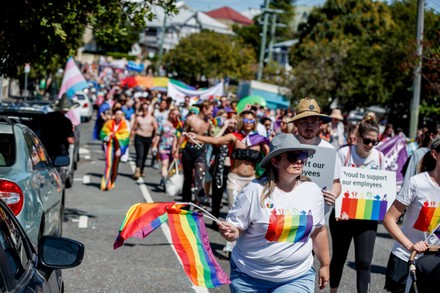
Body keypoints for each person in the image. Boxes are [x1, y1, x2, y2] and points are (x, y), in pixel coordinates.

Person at [218, 134, 330, 292]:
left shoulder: (313, 191)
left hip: (296, 277)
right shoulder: (254, 190)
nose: (299, 161)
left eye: (302, 155)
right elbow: (236, 227)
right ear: (275, 161)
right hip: (249, 277)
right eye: (292, 156)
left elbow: (319, 231)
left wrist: (325, 264)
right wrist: (231, 232)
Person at [329, 112, 385, 293]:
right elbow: (334, 182)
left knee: (364, 262)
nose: (371, 145)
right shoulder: (344, 153)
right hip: (343, 214)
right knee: (338, 257)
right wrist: (337, 205)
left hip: (366, 215)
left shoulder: (379, 158)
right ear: (358, 138)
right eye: (367, 141)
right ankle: (333, 291)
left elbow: (383, 187)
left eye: (375, 142)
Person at [383, 137, 440, 292]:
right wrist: (410, 246)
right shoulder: (417, 183)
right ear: (435, 154)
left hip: (434, 263)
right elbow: (389, 219)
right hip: (406, 258)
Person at [289, 97, 341, 214]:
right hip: (288, 210)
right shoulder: (286, 146)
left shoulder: (330, 150)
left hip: (318, 213)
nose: (309, 126)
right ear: (296, 123)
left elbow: (336, 183)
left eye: (314, 122)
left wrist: (334, 194)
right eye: (304, 122)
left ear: (320, 124)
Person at [173, 100, 213, 205]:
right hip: (189, 149)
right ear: (204, 109)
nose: (211, 113)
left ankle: (198, 200)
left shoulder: (209, 122)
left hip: (201, 150)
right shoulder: (191, 119)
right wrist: (177, 150)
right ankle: (186, 201)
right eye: (210, 110)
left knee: (199, 175)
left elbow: (211, 138)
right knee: (188, 177)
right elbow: (182, 134)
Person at [40, 94, 78, 161]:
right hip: (59, 153)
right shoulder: (66, 122)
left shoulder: (47, 117)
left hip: (44, 150)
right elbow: (70, 140)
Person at [100, 109, 130, 191]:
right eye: (117, 114)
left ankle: (112, 182)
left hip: (118, 146)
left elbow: (125, 138)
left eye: (121, 114)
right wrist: (108, 136)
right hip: (110, 145)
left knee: (115, 166)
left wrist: (121, 149)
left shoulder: (124, 125)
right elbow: (103, 133)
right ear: (114, 115)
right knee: (108, 164)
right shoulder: (109, 123)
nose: (119, 116)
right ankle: (105, 183)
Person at [130, 103, 158, 180]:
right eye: (143, 109)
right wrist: (131, 139)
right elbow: (134, 128)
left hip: (148, 138)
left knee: (145, 155)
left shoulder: (152, 119)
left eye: (146, 109)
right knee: (140, 154)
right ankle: (137, 170)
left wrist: (154, 138)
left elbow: (156, 128)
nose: (144, 111)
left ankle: (142, 169)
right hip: (139, 137)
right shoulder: (138, 118)